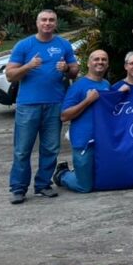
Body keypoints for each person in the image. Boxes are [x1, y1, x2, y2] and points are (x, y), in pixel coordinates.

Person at [5, 9, 79, 204]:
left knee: (51, 148)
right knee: (22, 149)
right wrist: (28, 66)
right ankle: (18, 188)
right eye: (44, 20)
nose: (47, 23)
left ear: (55, 23)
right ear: (37, 23)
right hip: (28, 105)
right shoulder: (25, 45)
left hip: (55, 104)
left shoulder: (63, 44)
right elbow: (10, 75)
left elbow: (74, 71)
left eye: (51, 20)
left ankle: (43, 185)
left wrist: (67, 69)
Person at [53, 49, 111, 194]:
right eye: (96, 59)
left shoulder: (106, 84)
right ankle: (63, 175)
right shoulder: (78, 86)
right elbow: (64, 116)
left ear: (108, 64)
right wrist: (87, 101)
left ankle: (79, 172)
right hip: (83, 141)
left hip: (102, 142)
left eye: (103, 59)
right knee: (84, 186)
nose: (100, 62)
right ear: (89, 63)